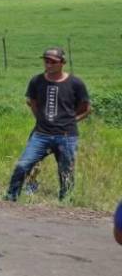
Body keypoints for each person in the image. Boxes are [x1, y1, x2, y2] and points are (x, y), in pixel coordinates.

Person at [5, 47, 91, 202]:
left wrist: (71, 120)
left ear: (62, 63)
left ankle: (65, 203)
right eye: (46, 61)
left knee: (66, 172)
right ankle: (10, 198)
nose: (49, 64)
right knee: (23, 165)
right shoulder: (37, 81)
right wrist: (41, 119)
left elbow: (85, 108)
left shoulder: (75, 83)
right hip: (41, 134)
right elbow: (32, 102)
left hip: (66, 136)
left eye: (53, 61)